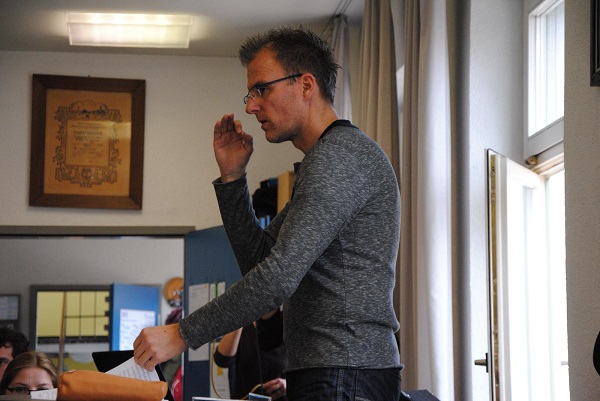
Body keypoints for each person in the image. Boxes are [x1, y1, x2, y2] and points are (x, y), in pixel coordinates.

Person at [133, 26, 402, 400]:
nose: (250, 106)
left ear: (305, 85)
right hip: (335, 369)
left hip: (345, 370)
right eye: (251, 94)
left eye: (262, 89)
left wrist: (183, 333)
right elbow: (260, 263)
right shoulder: (327, 161)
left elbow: (276, 279)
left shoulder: (338, 158)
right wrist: (233, 179)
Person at [213, 309, 287, 400]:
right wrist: (241, 311)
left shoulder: (288, 322)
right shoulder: (243, 326)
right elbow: (222, 360)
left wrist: (288, 384)